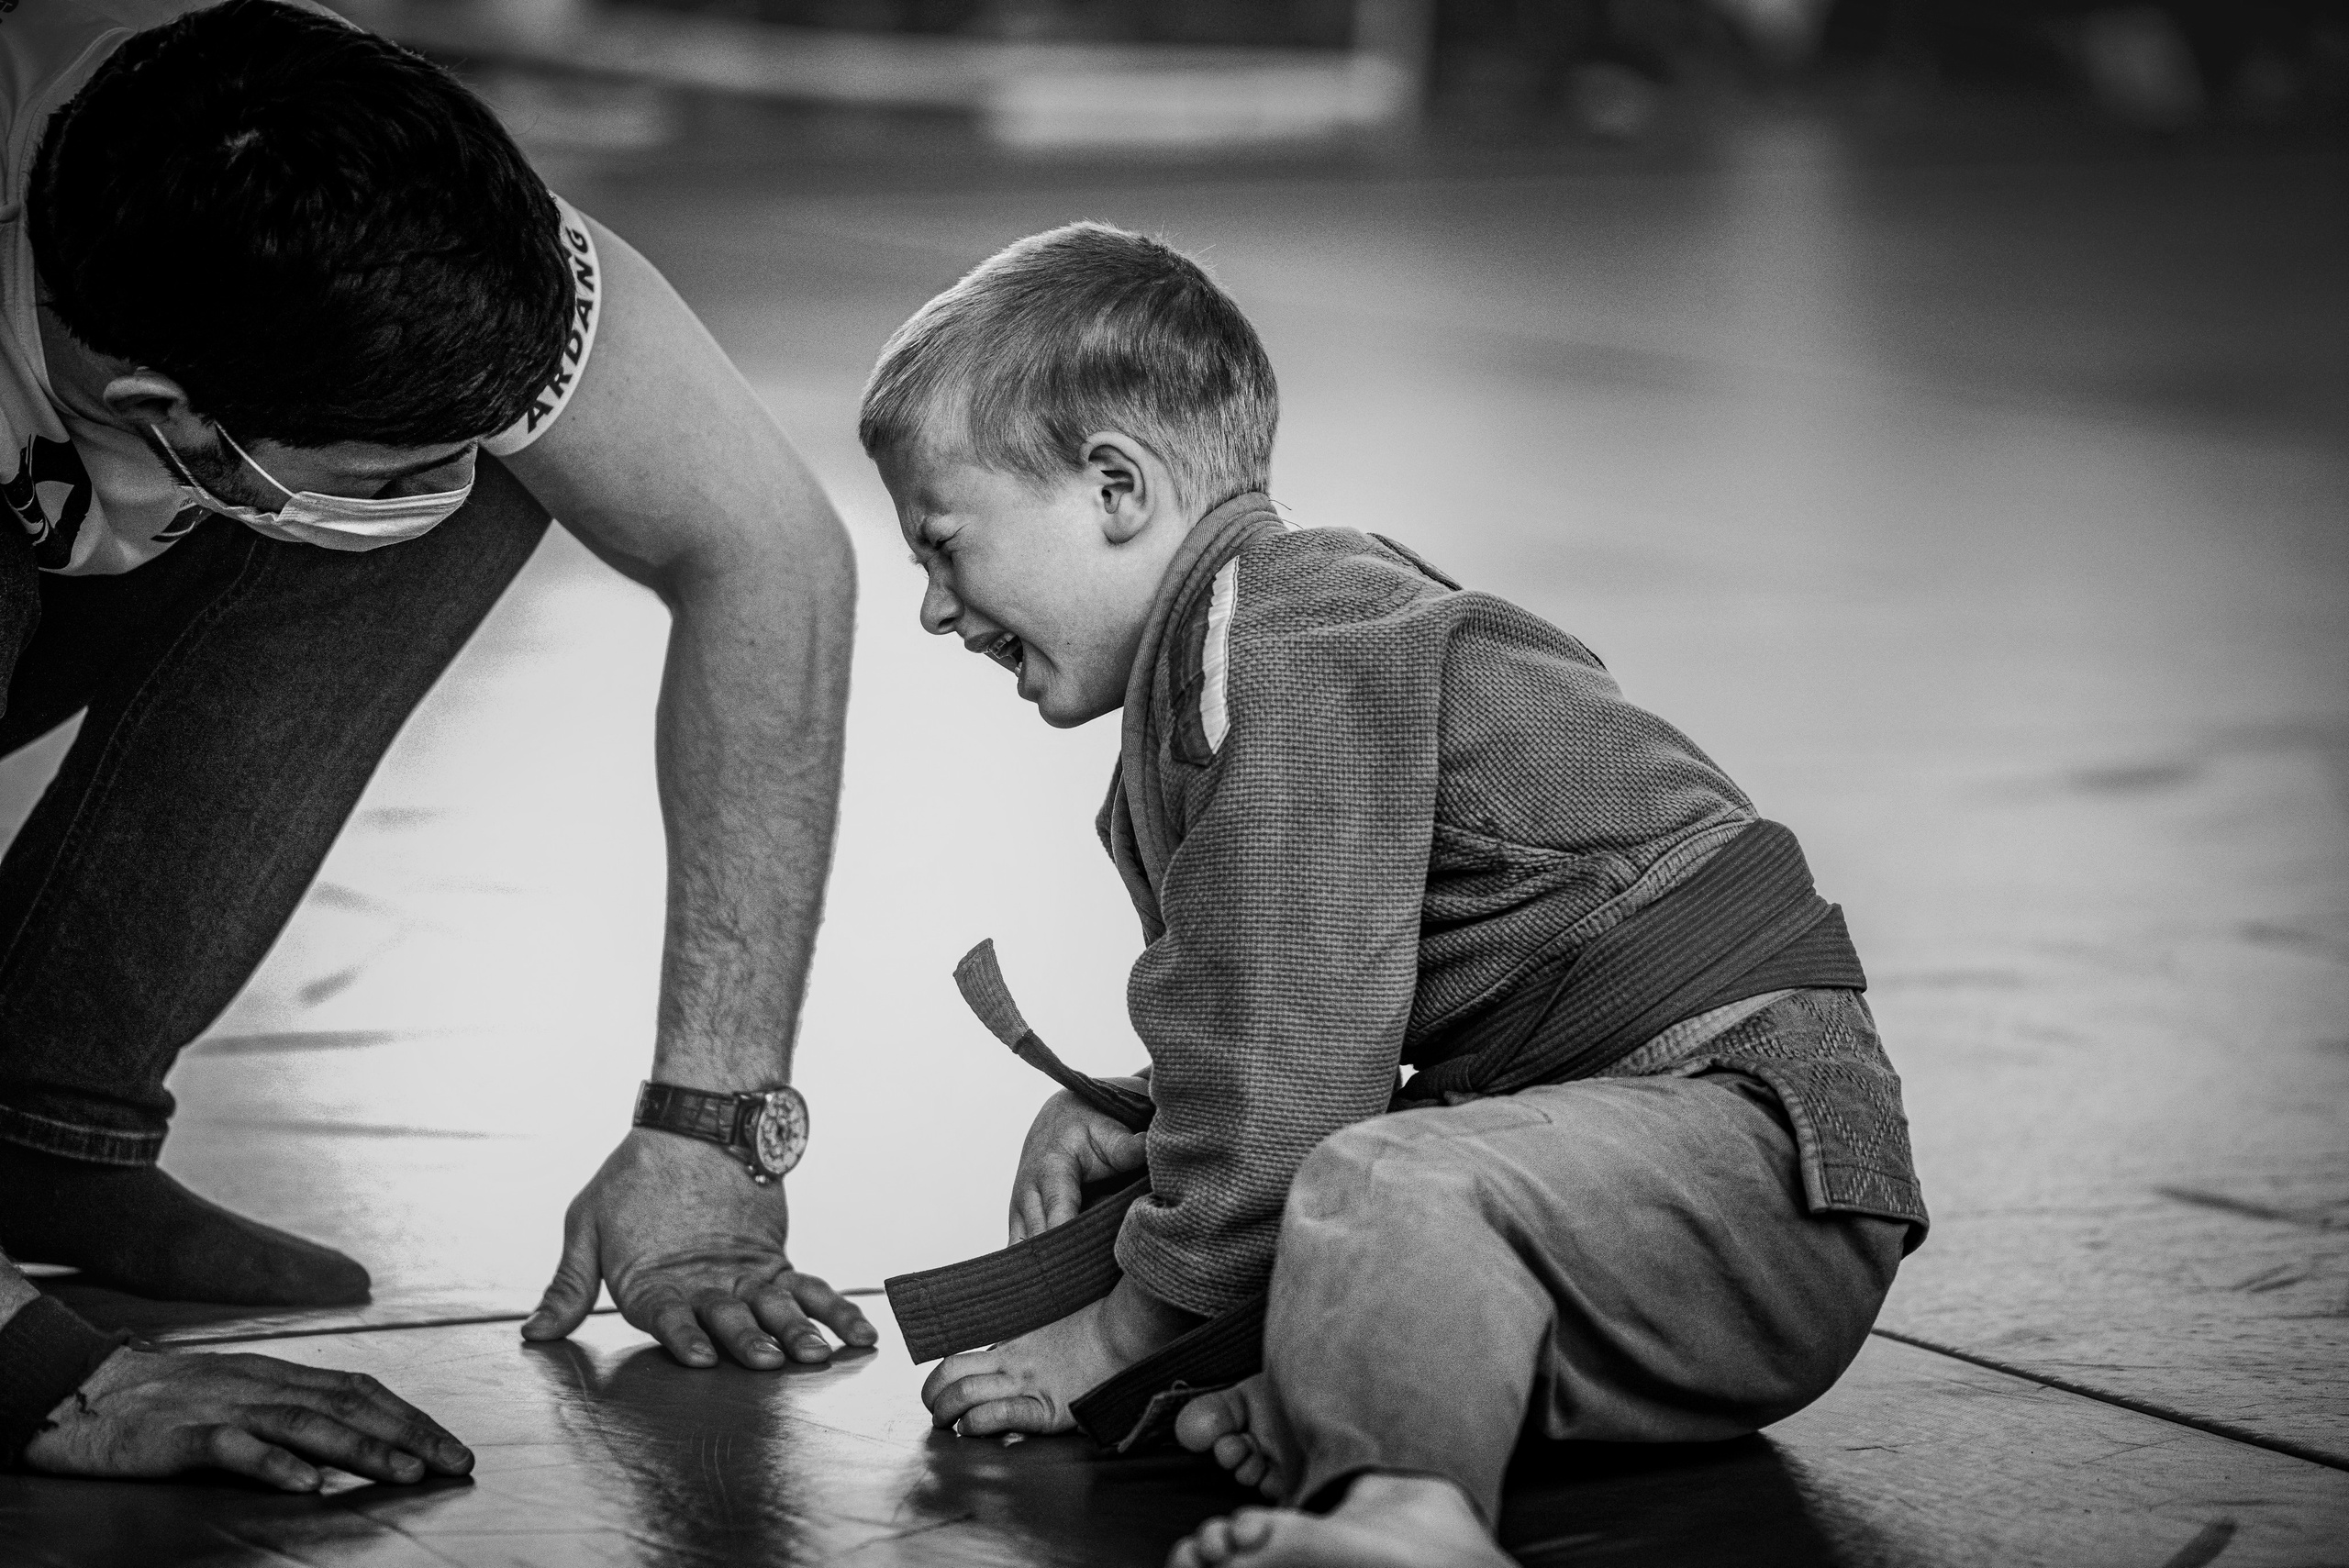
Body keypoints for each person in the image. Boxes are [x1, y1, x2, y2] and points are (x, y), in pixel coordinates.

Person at [859, 223, 1928, 1568]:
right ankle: (1359, 1404)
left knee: (1367, 1186)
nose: (935, 612)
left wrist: (1121, 1331)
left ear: (1116, 487)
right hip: (1620, 1208)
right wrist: (1144, 1111)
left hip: (1761, 1174)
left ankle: (1413, 1511)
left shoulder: (1288, 645)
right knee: (1305, 1195)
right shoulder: (1225, 666)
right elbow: (1285, 1007)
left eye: (944, 549)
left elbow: (1297, 1054)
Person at [0, 0, 870, 1481]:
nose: (439, 477)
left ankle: (41, 1118)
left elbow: (772, 556)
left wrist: (709, 1131)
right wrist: (40, 1379)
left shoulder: (346, 176)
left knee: (504, 468)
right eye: (392, 464)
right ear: (168, 413)